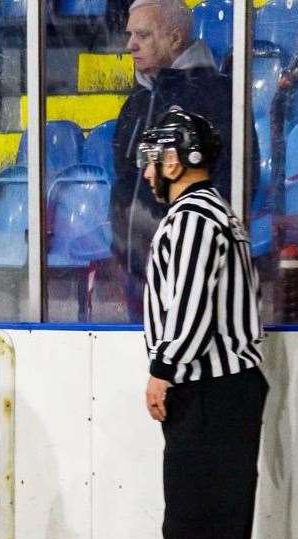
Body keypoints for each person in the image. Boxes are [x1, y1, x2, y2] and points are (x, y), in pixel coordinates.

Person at [136, 108, 267, 539]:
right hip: (227, 390)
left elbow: (190, 307)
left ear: (177, 158)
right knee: (220, 528)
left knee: (194, 526)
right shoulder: (220, 214)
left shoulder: (192, 219)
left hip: (208, 390)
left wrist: (162, 370)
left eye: (155, 156)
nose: (147, 171)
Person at [111, 0, 254, 322]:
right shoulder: (136, 100)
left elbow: (235, 179)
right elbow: (123, 177)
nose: (130, 44)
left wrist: (187, 249)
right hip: (135, 265)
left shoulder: (217, 96)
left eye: (143, 35)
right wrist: (122, 247)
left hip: (190, 267)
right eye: (129, 33)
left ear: (175, 39)